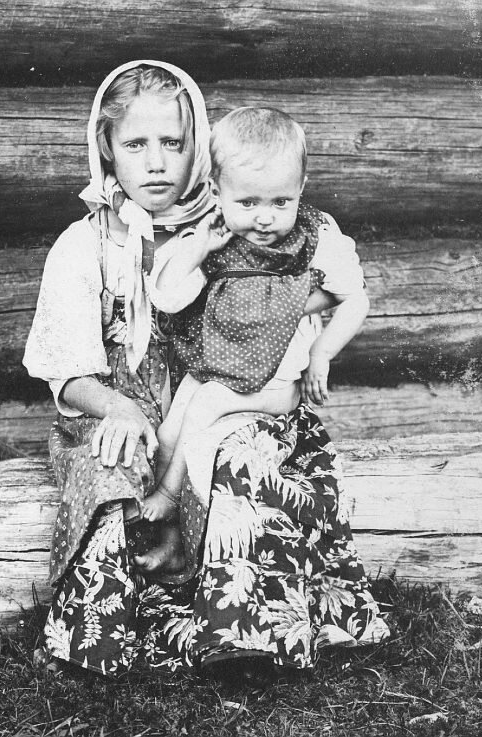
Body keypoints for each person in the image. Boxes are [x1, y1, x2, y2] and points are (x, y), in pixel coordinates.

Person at [23, 60, 390, 678]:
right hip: (124, 408)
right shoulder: (85, 245)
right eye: (136, 144)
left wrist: (306, 322)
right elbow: (67, 373)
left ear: (199, 148)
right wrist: (116, 405)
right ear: (107, 151)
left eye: (173, 142)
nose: (157, 162)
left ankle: (243, 631)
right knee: (111, 465)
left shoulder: (231, 219)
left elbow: (314, 291)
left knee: (244, 453)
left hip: (235, 397)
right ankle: (107, 639)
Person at [133, 107, 371, 577]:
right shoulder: (215, 232)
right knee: (168, 431)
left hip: (277, 382)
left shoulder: (315, 236)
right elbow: (168, 296)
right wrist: (199, 250)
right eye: (248, 203)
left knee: (205, 408)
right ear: (218, 190)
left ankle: (166, 496)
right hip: (215, 365)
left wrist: (323, 352)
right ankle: (174, 542)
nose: (264, 218)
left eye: (280, 202)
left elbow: (356, 298)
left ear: (301, 187)